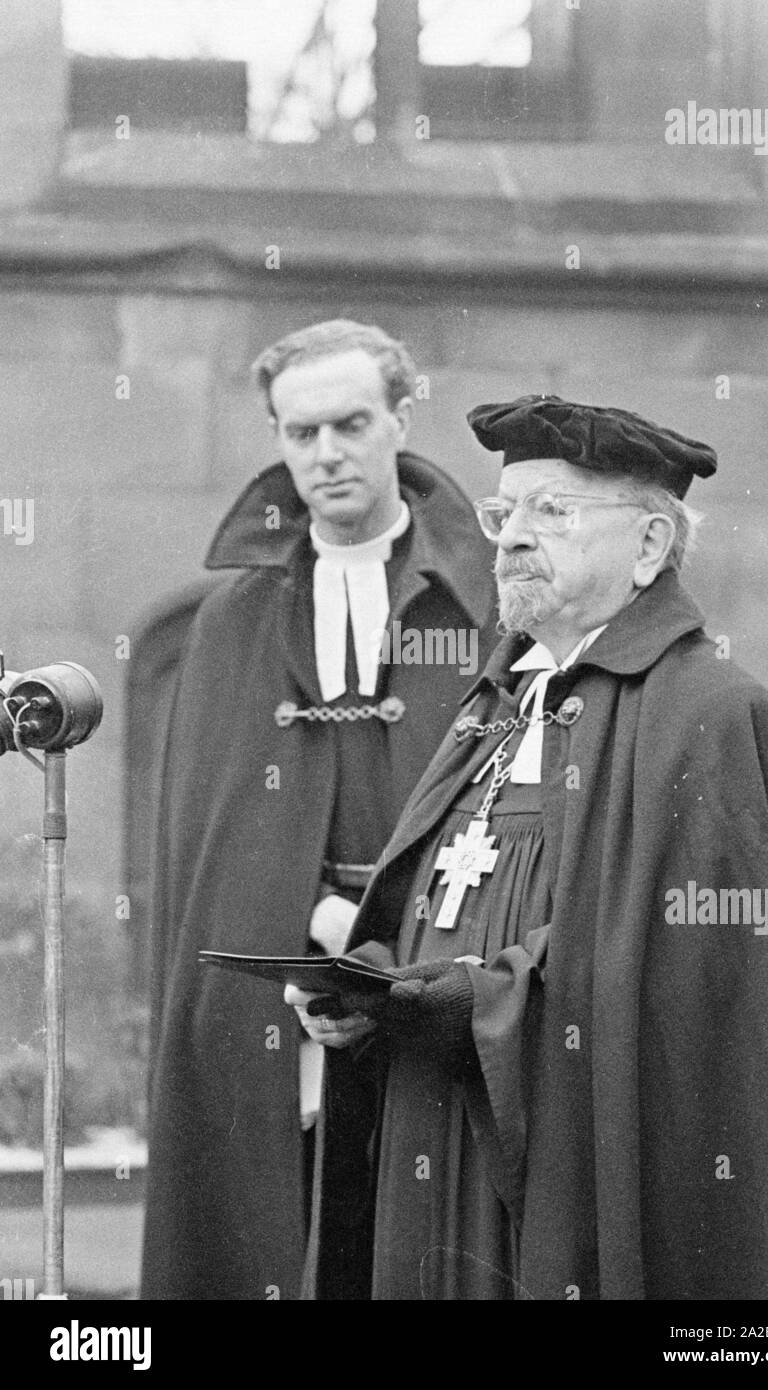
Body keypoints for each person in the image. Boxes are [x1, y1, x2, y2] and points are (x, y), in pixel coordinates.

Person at [288, 394, 768, 1301]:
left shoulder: (706, 715)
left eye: (554, 511)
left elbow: (684, 981)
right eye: (502, 513)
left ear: (651, 547)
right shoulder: (493, 707)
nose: (511, 538)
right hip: (434, 1148)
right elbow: (451, 901)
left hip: (569, 1177)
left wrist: (476, 1000)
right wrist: (371, 985)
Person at [140, 320, 497, 1300]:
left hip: (432, 974)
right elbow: (214, 837)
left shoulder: (483, 606)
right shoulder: (234, 615)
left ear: (398, 419)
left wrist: (384, 956)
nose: (326, 454)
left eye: (349, 423)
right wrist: (300, 942)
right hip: (271, 1001)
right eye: (300, 433)